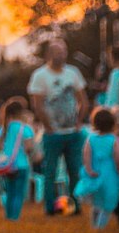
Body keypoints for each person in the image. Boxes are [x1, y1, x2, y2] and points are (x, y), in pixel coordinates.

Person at [28, 38, 88, 216]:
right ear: (48, 54)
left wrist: (79, 122)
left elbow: (82, 100)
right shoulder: (40, 75)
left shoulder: (73, 73)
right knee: (50, 172)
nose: (60, 55)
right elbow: (37, 105)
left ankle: (75, 206)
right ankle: (50, 208)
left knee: (75, 171)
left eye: (62, 52)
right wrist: (48, 126)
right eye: (56, 52)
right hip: (52, 134)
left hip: (73, 133)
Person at [76, 106, 119, 229]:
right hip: (110, 175)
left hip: (95, 173)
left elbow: (86, 155)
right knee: (108, 203)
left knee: (97, 203)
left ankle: (94, 225)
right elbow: (118, 159)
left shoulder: (91, 138)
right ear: (113, 123)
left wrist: (89, 170)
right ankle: (100, 226)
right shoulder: (113, 140)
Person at [0, 98, 35, 221]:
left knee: (10, 192)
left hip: (7, 165)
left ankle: (8, 215)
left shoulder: (4, 128)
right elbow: (29, 148)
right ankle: (15, 217)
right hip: (21, 165)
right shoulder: (25, 128)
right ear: (21, 112)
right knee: (18, 193)